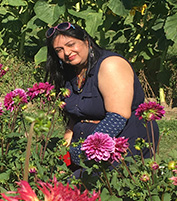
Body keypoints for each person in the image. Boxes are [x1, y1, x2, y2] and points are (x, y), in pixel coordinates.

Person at [45, 22, 159, 169]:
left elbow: (117, 117)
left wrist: (83, 151)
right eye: (59, 50)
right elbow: (76, 112)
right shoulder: (73, 69)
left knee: (86, 188)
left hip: (122, 142)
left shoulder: (110, 65)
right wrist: (65, 147)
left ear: (86, 41)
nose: (67, 53)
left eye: (71, 44)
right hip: (90, 146)